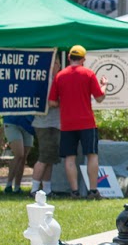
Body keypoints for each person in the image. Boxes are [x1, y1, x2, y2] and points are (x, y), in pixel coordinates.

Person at [52, 45, 105, 199]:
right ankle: (93, 190)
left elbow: (52, 102)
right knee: (92, 155)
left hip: (67, 123)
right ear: (83, 59)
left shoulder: (60, 76)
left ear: (69, 58)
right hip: (87, 122)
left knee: (70, 157)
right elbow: (100, 98)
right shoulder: (88, 74)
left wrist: (65, 103)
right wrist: (104, 85)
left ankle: (74, 191)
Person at [31, 81, 62, 195]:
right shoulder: (43, 82)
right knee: (44, 157)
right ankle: (34, 189)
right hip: (44, 124)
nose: (58, 66)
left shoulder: (57, 81)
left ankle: (47, 189)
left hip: (55, 123)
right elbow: (51, 102)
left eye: (59, 63)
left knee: (50, 159)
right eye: (55, 64)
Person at [0, 114, 34, 193]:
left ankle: (17, 187)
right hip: (12, 122)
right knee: (19, 154)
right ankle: (8, 185)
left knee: (23, 158)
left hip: (28, 124)